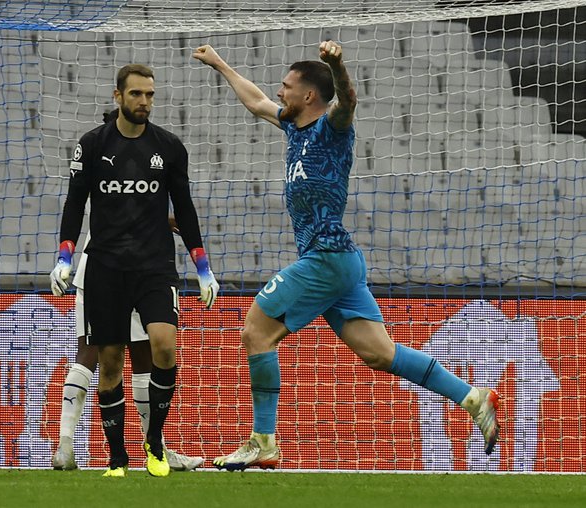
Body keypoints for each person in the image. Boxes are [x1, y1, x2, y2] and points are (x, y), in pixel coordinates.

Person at [193, 41, 500, 471]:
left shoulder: (332, 128)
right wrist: (221, 63)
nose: (279, 93)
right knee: (380, 354)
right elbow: (256, 102)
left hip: (326, 257)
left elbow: (348, 100)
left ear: (309, 96)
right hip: (342, 263)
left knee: (255, 331)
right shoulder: (292, 125)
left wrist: (337, 65)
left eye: (286, 87)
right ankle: (473, 397)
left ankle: (263, 441)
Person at [50, 64, 219, 478]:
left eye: (149, 95)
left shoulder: (170, 147)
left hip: (154, 267)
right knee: (108, 361)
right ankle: (114, 458)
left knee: (162, 346)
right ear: (118, 97)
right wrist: (64, 257)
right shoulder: (91, 146)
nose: (144, 101)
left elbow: (185, 207)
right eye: (137, 94)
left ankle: (154, 443)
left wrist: (203, 267)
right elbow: (75, 205)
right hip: (104, 267)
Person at [50, 229, 204, 473]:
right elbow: (135, 208)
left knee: (88, 351)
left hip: (95, 263)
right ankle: (157, 449)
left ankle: (64, 447)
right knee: (142, 358)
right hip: (135, 261)